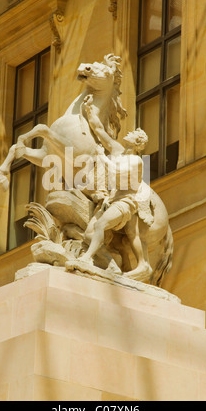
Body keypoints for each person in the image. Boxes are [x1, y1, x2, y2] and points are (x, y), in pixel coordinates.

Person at [79, 95, 153, 281]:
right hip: (112, 201)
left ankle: (87, 258)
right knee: (89, 233)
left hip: (125, 203)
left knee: (102, 225)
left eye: (133, 134)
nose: (128, 133)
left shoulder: (136, 161)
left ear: (137, 144)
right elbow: (98, 129)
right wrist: (89, 109)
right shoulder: (117, 150)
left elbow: (117, 171)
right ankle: (111, 264)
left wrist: (102, 157)